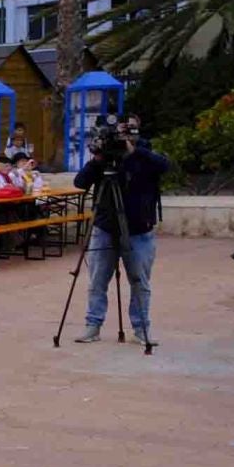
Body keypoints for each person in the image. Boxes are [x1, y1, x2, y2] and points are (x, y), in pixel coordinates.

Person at [73, 132, 170, 346]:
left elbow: (165, 166)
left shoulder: (144, 155)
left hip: (139, 230)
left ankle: (141, 328)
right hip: (105, 228)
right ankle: (93, 325)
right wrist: (97, 160)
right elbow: (80, 183)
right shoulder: (105, 159)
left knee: (139, 282)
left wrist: (134, 152)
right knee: (97, 281)